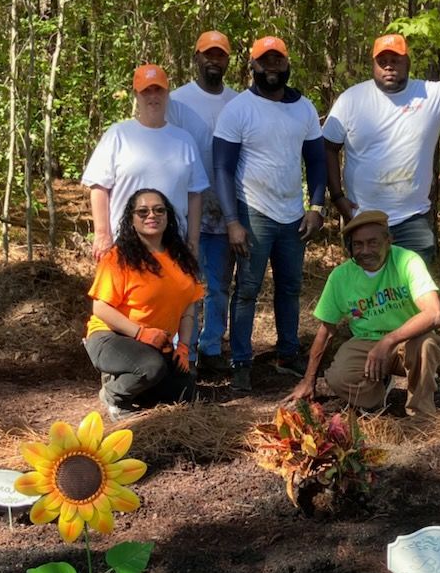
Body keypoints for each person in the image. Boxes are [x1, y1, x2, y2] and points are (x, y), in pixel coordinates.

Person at [212, 35, 326, 392]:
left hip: (293, 214)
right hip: (253, 211)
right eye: (265, 61)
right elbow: (222, 168)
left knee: (290, 287)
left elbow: (317, 160)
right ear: (252, 66)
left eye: (278, 60)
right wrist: (232, 221)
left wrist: (316, 206)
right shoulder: (238, 109)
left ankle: (288, 353)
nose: (272, 66)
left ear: (287, 64)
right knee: (247, 289)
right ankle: (241, 362)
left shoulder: (304, 108)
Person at [324, 34, 440, 266]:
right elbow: (328, 148)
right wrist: (337, 197)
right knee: (366, 294)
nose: (389, 67)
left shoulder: (430, 94)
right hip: (363, 219)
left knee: (413, 295)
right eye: (382, 61)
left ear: (408, 63)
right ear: (372, 65)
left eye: (396, 60)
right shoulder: (351, 99)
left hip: (413, 219)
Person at [289, 210, 440, 416]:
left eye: (373, 243)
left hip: (408, 339)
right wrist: (308, 380)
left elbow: (434, 314)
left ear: (388, 240)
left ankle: (422, 413)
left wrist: (388, 341)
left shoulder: (407, 261)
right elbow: (326, 330)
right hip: (366, 341)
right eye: (358, 244)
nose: (365, 250)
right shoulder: (341, 276)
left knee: (426, 345)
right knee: (338, 377)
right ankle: (378, 398)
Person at [84, 189, 203, 420]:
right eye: (143, 211)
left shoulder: (181, 257)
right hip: (111, 336)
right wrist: (141, 333)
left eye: (159, 210)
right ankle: (114, 394)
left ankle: (136, 387)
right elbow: (100, 308)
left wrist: (184, 346)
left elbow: (189, 306)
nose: (152, 215)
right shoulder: (118, 257)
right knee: (151, 367)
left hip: (157, 342)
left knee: (185, 390)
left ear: (168, 216)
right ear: (132, 219)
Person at [82, 64, 208, 258]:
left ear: (167, 93)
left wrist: (193, 241)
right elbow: (99, 187)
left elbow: (195, 194)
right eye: (146, 91)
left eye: (158, 90)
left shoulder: (184, 140)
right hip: (125, 245)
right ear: (136, 95)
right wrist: (102, 234)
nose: (153, 96)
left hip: (173, 247)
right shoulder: (118, 134)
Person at [169, 30, 239, 375]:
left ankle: (212, 346)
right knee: (186, 283)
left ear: (228, 60)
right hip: (187, 210)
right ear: (196, 57)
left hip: (226, 209)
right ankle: (185, 351)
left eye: (220, 54)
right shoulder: (178, 101)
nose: (214, 60)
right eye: (208, 54)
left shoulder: (239, 101)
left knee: (219, 283)